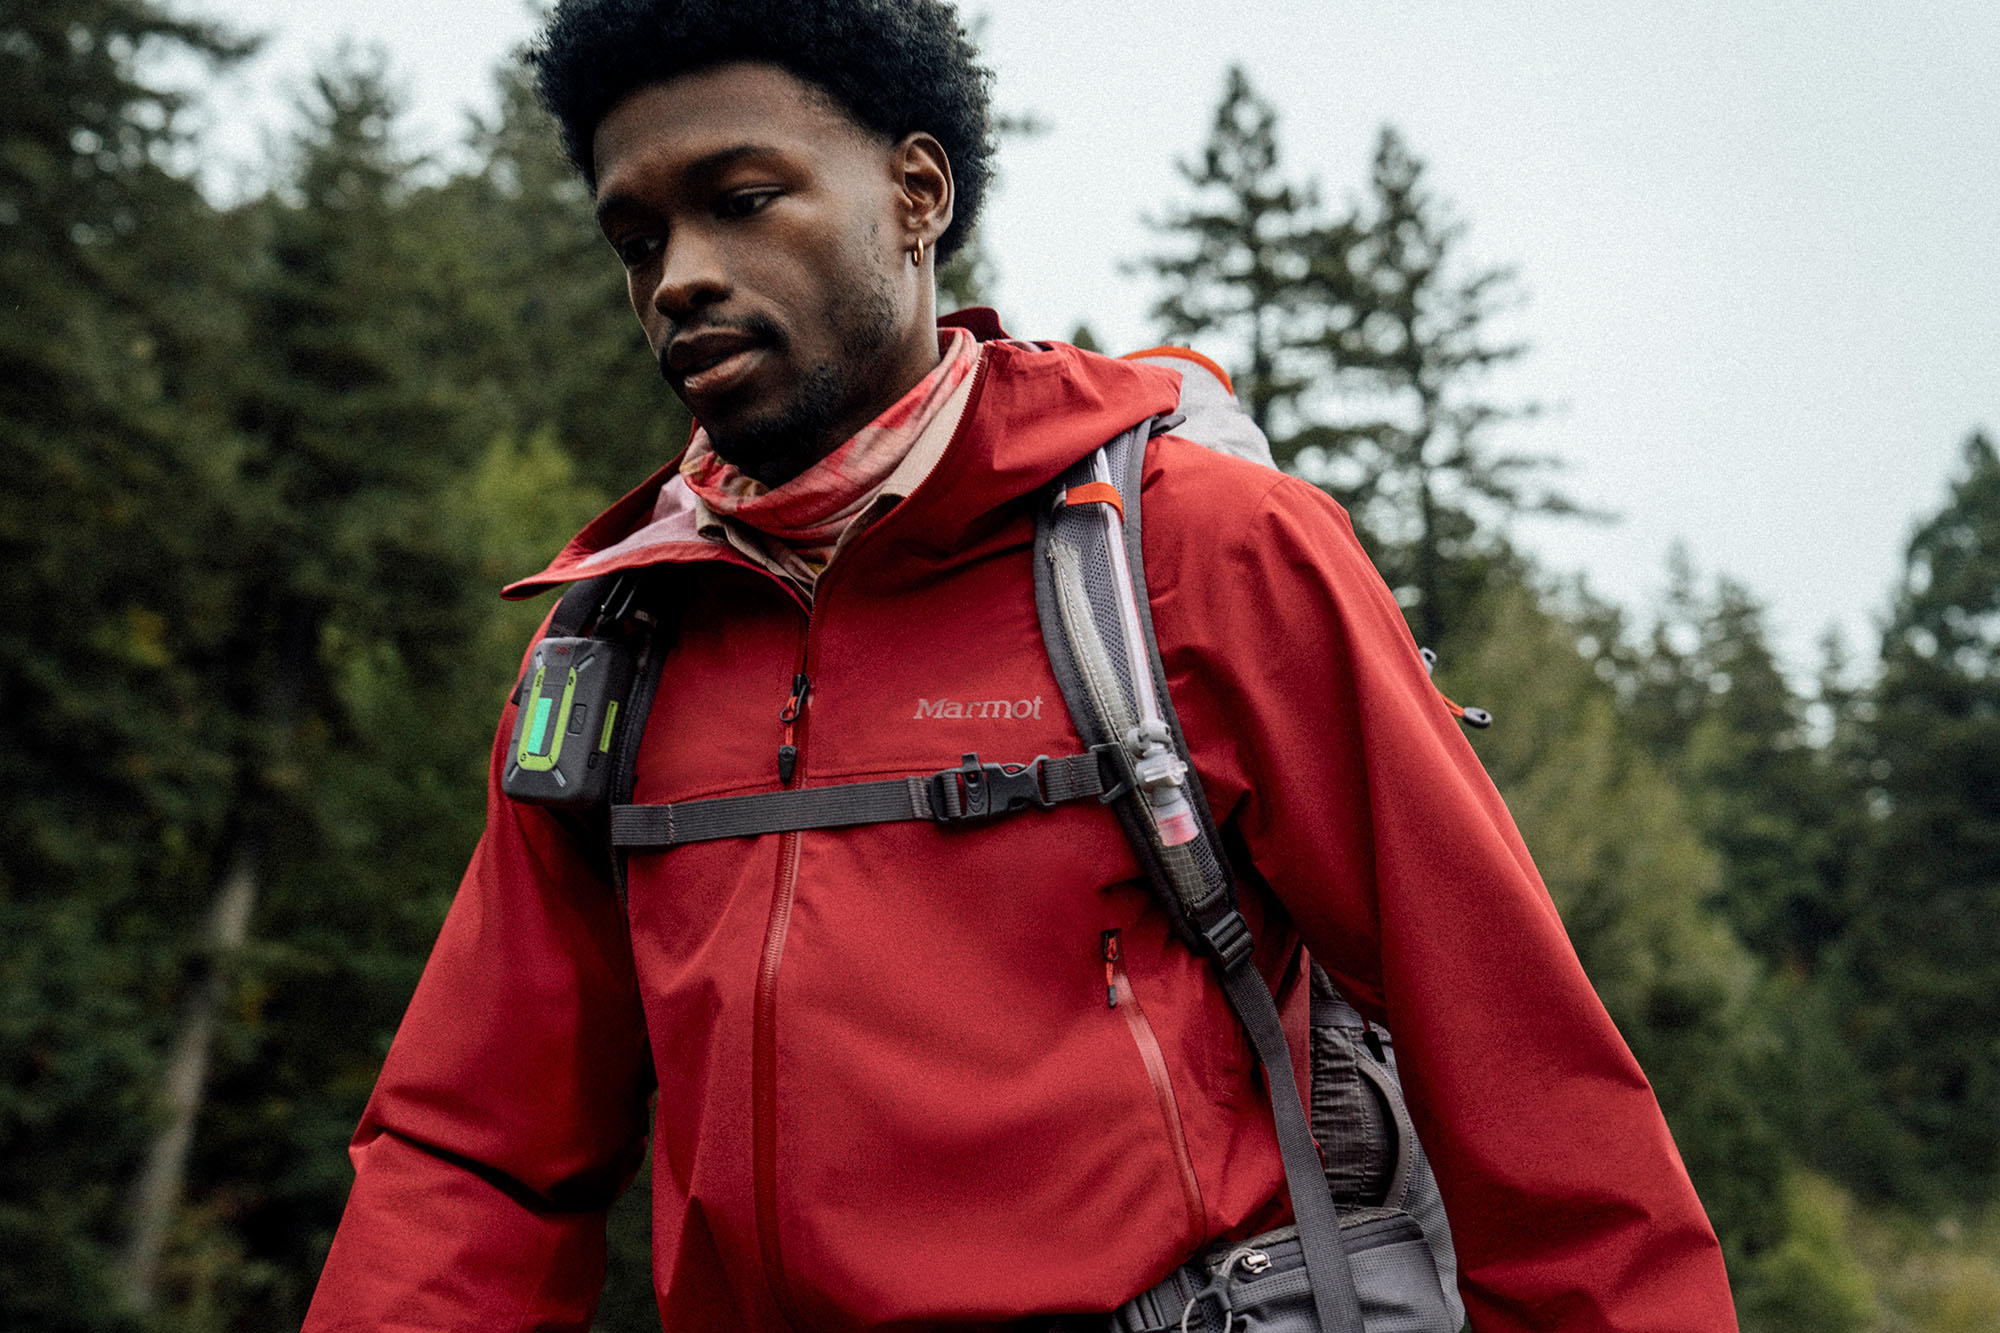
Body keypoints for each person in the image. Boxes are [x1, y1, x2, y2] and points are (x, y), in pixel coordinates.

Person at [303, 1, 1740, 1328]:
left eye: (742, 200)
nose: (680, 278)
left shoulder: (1202, 551)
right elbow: (474, 1156)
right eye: (635, 239)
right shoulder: (612, 647)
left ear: (918, 195)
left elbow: (1529, 1090)